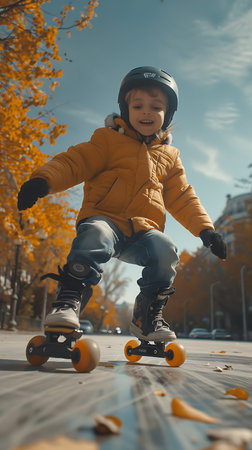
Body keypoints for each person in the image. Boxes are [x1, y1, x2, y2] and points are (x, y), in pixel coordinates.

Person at [17, 66, 226, 342]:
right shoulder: (107, 141)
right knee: (96, 234)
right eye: (138, 105)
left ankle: (147, 317)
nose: (146, 112)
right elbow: (74, 162)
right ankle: (68, 301)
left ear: (168, 114)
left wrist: (206, 230)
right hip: (104, 218)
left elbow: (183, 195)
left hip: (143, 232)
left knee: (166, 250)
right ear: (125, 108)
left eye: (156, 107)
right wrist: (43, 181)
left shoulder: (170, 157)